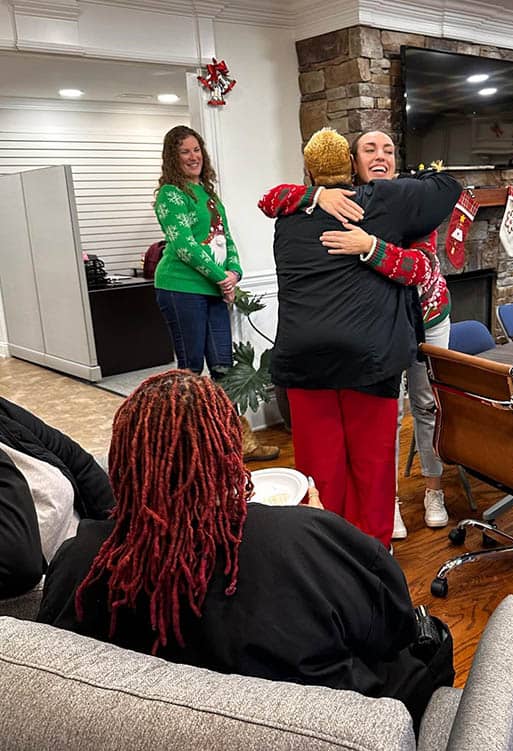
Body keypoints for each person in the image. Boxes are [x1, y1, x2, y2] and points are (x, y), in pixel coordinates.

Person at [37, 371, 453, 729]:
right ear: (228, 455)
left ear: (125, 464)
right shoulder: (303, 540)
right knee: (431, 640)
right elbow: (393, 626)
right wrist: (323, 526)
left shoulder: (79, 562)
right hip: (337, 728)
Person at [259, 128, 460, 548]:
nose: (381, 154)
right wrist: (316, 196)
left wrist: (369, 246)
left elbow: (422, 270)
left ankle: (337, 547)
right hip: (372, 352)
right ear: (353, 162)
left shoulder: (290, 221)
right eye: (370, 149)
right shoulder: (384, 202)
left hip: (394, 329)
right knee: (370, 457)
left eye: (389, 147)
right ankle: (374, 540)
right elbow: (447, 185)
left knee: (330, 464)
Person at [154, 125, 278, 462]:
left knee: (225, 369)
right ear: (173, 157)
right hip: (180, 289)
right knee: (190, 370)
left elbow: (228, 240)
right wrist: (221, 278)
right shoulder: (169, 195)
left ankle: (240, 443)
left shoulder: (208, 194)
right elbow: (183, 246)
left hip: (213, 289)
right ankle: (187, 449)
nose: (193, 157)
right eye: (185, 152)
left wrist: (235, 273)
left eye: (197, 150)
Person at [0, 397, 114, 598]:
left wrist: (126, 530)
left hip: (93, 547)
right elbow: (20, 568)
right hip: (58, 594)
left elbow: (78, 461)